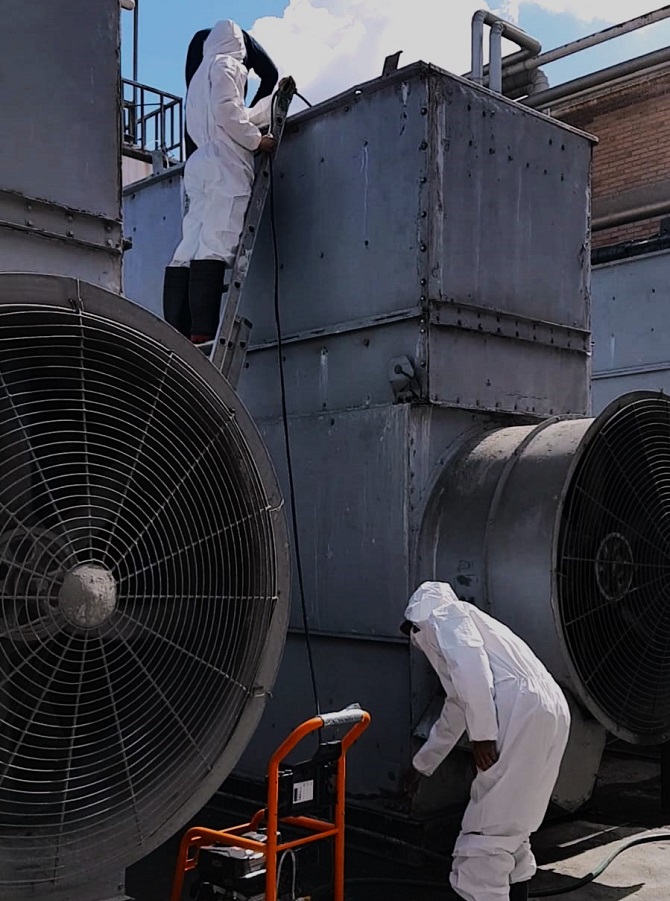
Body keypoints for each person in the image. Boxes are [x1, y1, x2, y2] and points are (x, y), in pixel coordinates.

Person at [401, 581, 570, 901]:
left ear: (416, 621)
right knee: (512, 832)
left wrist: (483, 736)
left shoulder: (445, 616)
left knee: (482, 843)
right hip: (550, 709)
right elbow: (456, 707)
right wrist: (422, 765)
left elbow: (471, 668)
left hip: (518, 710)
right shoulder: (481, 627)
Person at [162, 20, 277, 344]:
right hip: (225, 160)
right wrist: (256, 141)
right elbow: (228, 112)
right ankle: (202, 333)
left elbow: (222, 114)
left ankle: (177, 328)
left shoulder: (200, 74)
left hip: (199, 160)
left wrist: (260, 111)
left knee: (189, 245)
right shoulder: (229, 65)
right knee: (216, 241)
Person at [184, 27, 278, 159]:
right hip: (228, 147)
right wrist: (250, 120)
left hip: (198, 144)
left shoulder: (201, 40)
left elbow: (194, 93)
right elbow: (271, 74)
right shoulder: (239, 48)